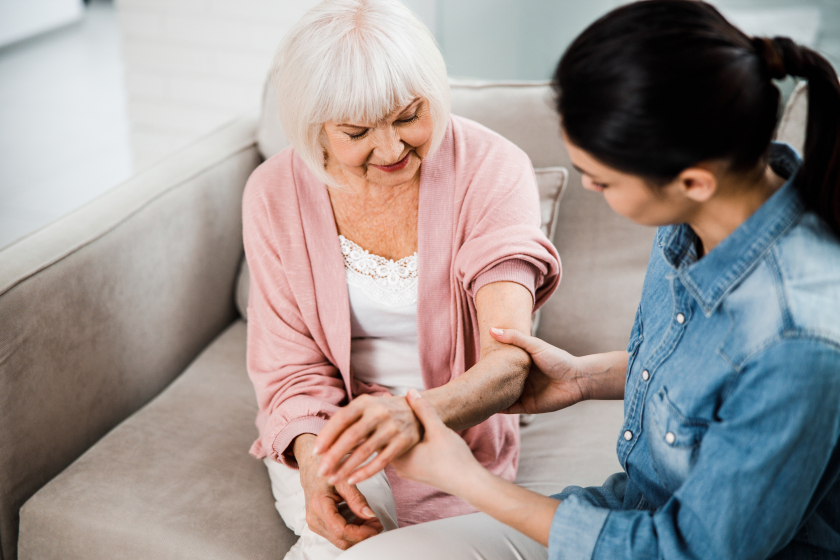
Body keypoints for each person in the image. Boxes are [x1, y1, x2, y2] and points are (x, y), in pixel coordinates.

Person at [333, 1, 840, 558]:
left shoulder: (801, 341)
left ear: (692, 181)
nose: (592, 191)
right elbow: (718, 381)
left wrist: (467, 480)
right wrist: (584, 377)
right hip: (623, 513)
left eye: (601, 179)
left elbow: (685, 549)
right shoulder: (705, 215)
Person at [241, 0, 561, 558]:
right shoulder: (273, 193)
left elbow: (509, 363)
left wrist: (408, 418)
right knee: (336, 541)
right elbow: (289, 368)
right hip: (328, 424)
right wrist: (316, 463)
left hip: (460, 422)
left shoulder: (491, 168)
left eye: (410, 116)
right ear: (312, 125)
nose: (391, 149)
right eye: (357, 131)